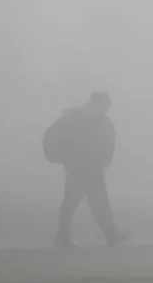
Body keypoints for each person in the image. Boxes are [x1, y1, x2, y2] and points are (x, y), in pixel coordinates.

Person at [54, 91, 128, 249]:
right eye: (106, 105)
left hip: (80, 167)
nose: (107, 108)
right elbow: (98, 143)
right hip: (87, 167)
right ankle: (110, 234)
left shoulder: (79, 117)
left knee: (75, 202)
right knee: (95, 201)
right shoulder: (91, 119)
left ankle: (64, 236)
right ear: (100, 103)